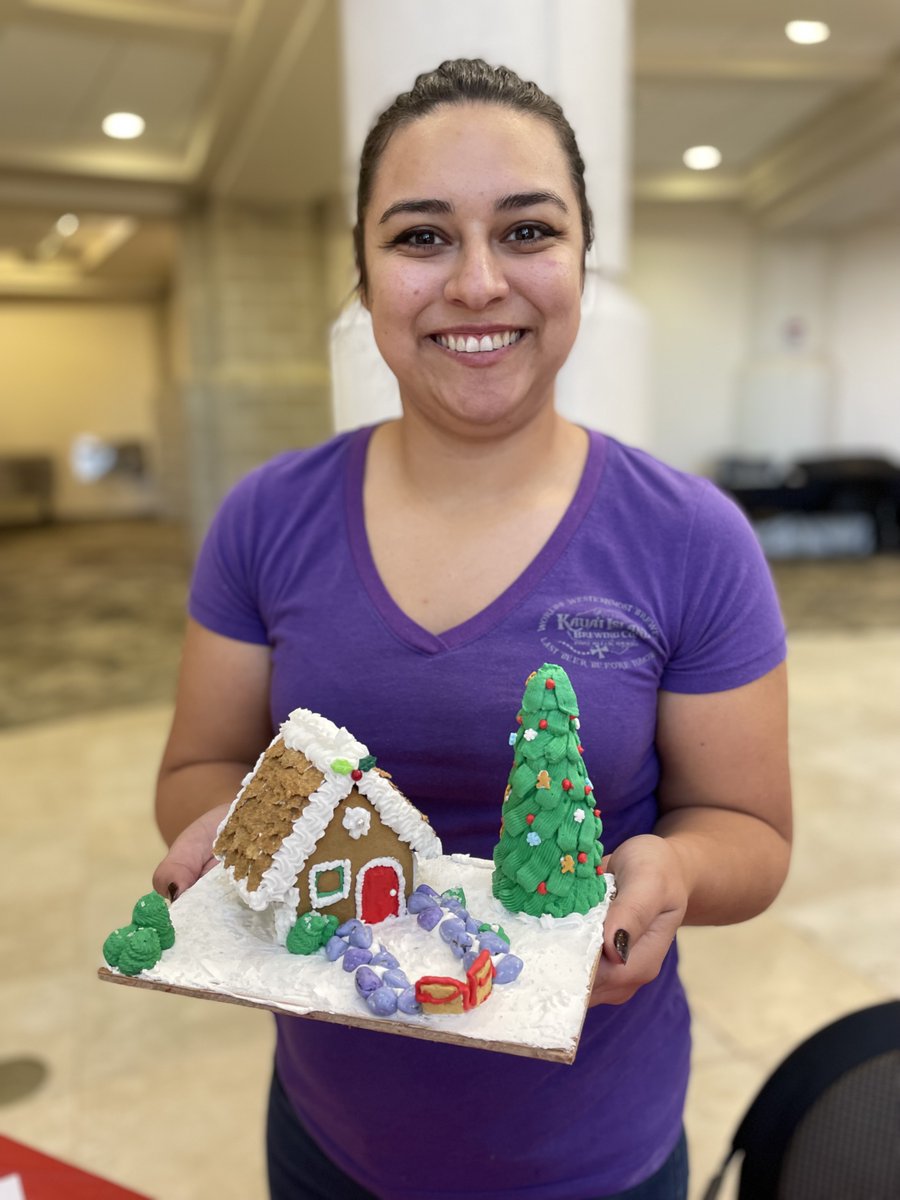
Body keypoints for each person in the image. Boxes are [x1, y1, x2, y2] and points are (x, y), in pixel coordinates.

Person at [152, 58, 791, 1200]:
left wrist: (679, 866)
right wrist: (232, 826)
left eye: (528, 230)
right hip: (329, 1138)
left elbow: (749, 829)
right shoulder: (265, 517)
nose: (479, 282)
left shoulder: (692, 537)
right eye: (422, 237)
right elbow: (198, 764)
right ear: (364, 275)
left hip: (591, 1155)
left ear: (583, 260)